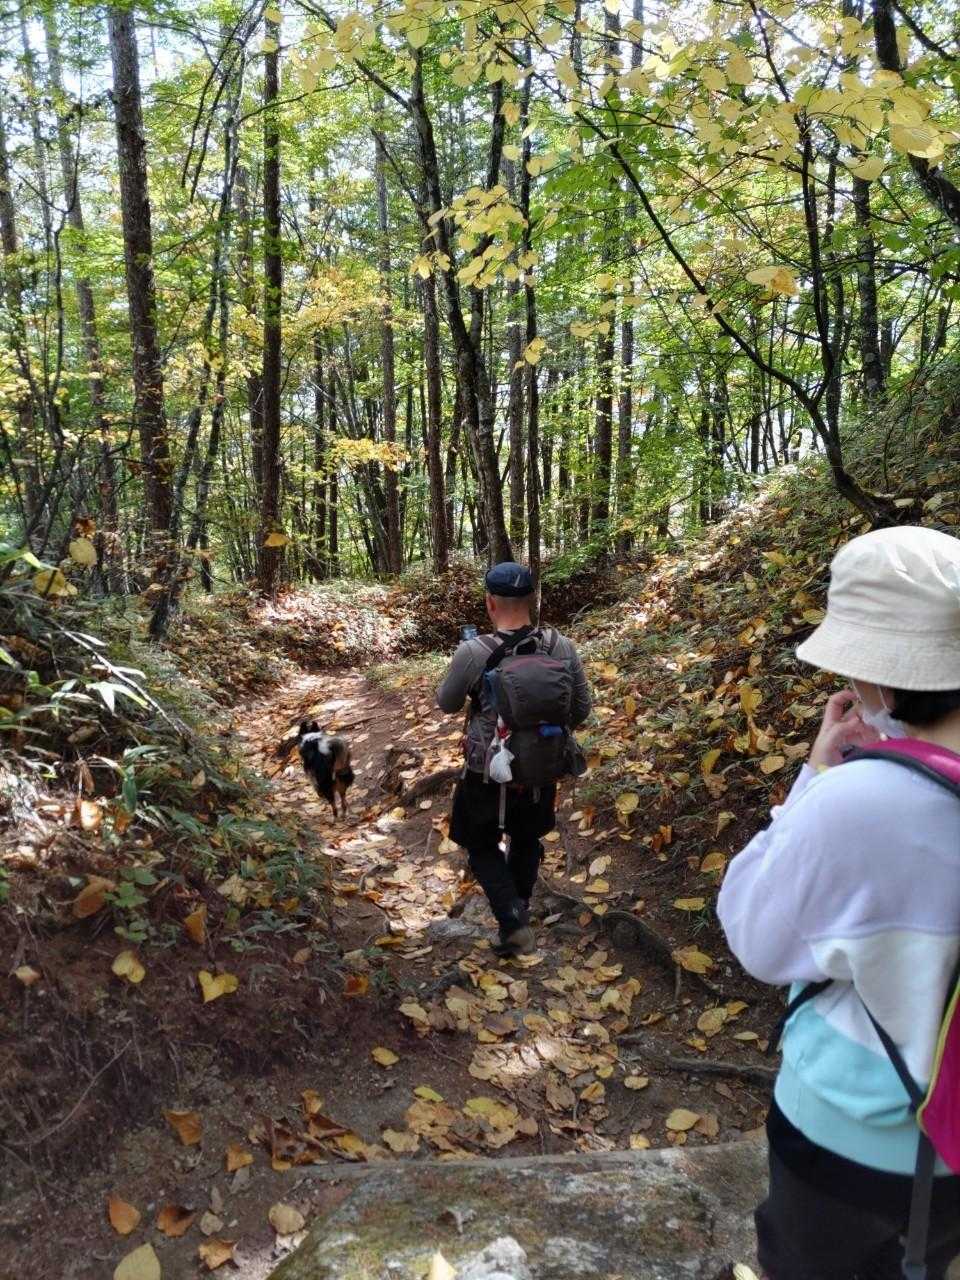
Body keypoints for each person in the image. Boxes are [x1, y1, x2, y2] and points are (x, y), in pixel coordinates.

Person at [717, 525, 960, 1280]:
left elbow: (756, 935)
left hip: (852, 1142)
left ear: (881, 677)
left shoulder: (859, 802)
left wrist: (817, 778)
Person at [436, 562, 592, 955]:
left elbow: (447, 703)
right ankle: (519, 905)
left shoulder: (474, 651)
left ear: (490, 603)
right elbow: (581, 709)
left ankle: (514, 922)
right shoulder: (560, 646)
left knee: (480, 844)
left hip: (485, 770)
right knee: (526, 838)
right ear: (532, 600)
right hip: (541, 767)